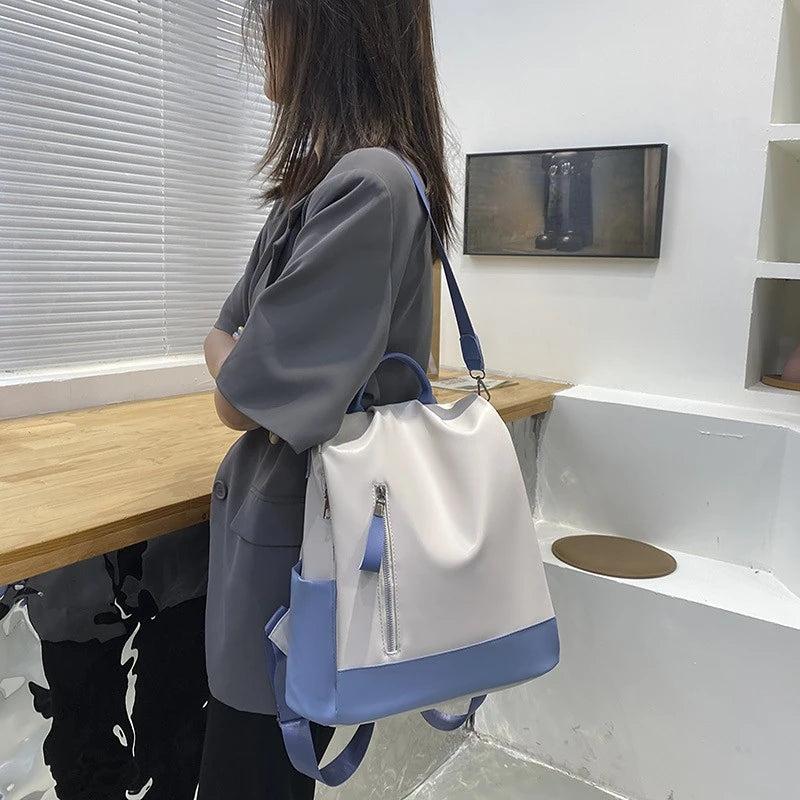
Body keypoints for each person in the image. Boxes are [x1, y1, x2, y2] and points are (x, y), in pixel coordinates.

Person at [197, 1, 454, 797]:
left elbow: (236, 395)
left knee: (252, 767)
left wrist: (240, 368)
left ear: (328, 27)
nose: (263, 42)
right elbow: (225, 337)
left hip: (300, 546)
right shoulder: (323, 184)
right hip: (288, 531)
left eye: (273, 19)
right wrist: (242, 366)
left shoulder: (368, 187)